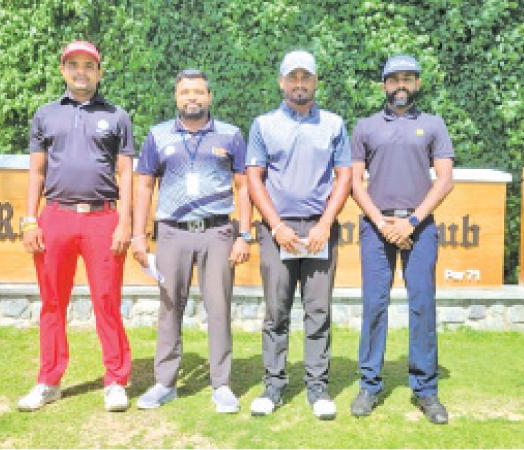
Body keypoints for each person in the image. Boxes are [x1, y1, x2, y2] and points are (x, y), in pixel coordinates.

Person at [17, 40, 134, 412]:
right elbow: (36, 171)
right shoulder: (45, 115)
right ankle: (49, 380)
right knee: (53, 302)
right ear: (63, 70)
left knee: (107, 301)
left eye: (88, 65)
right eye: (74, 65)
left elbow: (127, 174)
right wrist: (30, 219)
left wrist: (125, 223)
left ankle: (116, 379)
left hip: (103, 219)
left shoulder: (117, 115)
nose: (81, 71)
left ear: (99, 71)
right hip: (55, 218)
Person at [131, 69, 252, 414]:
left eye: (199, 92)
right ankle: (164, 383)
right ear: (176, 97)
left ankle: (222, 385)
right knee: (170, 307)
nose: (192, 98)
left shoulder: (230, 135)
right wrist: (139, 235)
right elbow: (144, 186)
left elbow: (244, 186)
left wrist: (244, 234)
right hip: (172, 232)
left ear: (210, 96)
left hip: (218, 233)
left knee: (219, 307)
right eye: (185, 92)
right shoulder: (158, 136)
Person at [246, 50, 352, 420]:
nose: (299, 83)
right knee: (276, 311)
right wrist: (275, 225)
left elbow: (345, 177)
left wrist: (325, 223)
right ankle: (274, 385)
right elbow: (254, 178)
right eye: (293, 77)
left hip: (320, 230)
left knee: (318, 310)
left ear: (316, 81)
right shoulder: (263, 124)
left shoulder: (334, 124)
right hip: (279, 230)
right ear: (281, 82)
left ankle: (317, 388)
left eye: (306, 77)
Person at [349, 54, 454, 424]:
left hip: (419, 227)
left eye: (408, 79)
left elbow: (444, 180)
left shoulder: (434, 125)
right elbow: (354, 183)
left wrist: (410, 221)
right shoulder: (365, 127)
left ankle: (426, 391)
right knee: (374, 306)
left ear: (418, 83)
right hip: (375, 229)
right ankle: (369, 385)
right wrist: (382, 222)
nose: (401, 86)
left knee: (422, 306)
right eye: (394, 80)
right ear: (384, 85)